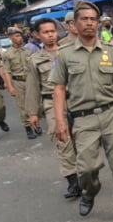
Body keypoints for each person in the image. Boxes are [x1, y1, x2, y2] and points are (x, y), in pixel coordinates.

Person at [50, 0, 113, 222]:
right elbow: (59, 89)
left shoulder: (111, 51)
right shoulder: (64, 54)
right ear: (75, 23)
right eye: (84, 19)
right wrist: (59, 120)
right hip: (83, 119)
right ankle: (90, 192)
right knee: (87, 168)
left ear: (98, 23)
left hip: (111, 114)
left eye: (93, 19)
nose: (89, 23)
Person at [25, 18, 82, 199]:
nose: (50, 35)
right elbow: (33, 87)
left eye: (53, 31)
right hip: (51, 104)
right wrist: (32, 112)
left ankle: (86, 175)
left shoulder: (69, 52)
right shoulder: (35, 60)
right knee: (62, 141)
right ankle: (73, 181)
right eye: (45, 32)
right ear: (37, 35)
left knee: (81, 140)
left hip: (76, 101)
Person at [4, 26, 40, 139]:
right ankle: (28, 128)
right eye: (16, 36)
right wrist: (10, 86)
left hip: (30, 80)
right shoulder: (7, 54)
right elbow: (7, 71)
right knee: (23, 107)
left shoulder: (28, 51)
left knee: (36, 104)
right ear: (10, 37)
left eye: (20, 36)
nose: (19, 38)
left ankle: (36, 124)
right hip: (18, 81)